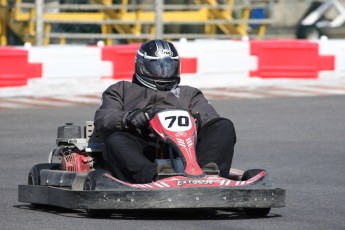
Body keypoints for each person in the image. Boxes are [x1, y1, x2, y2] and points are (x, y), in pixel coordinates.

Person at [94, 39, 236, 184]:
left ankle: (207, 174)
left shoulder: (189, 93)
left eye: (169, 66)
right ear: (142, 66)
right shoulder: (121, 90)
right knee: (115, 140)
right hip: (143, 148)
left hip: (186, 148)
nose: (164, 72)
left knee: (223, 126)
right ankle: (155, 177)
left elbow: (210, 117)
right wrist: (132, 117)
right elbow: (103, 118)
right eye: (157, 66)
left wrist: (195, 119)